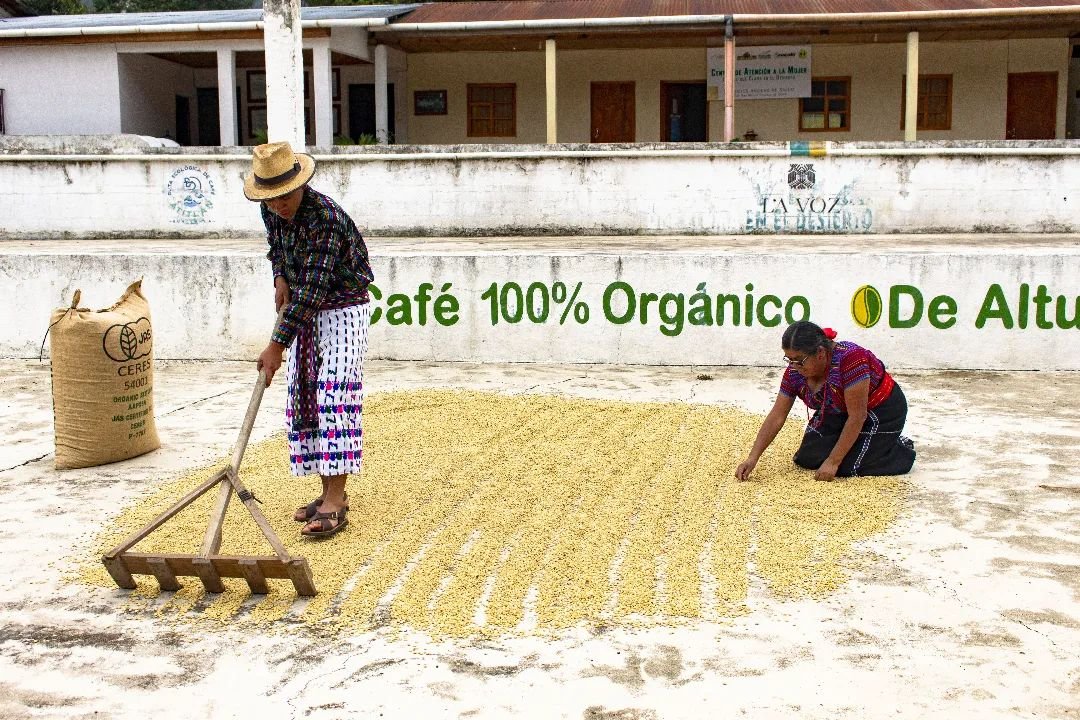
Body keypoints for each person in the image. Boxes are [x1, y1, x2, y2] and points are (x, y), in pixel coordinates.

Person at [245, 141, 374, 538]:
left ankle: (337, 499)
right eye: (271, 198)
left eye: (285, 196)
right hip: (305, 302)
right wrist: (280, 277)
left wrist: (275, 345)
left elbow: (317, 289)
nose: (279, 205)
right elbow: (277, 249)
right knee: (307, 396)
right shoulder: (271, 211)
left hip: (341, 306)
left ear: (300, 185)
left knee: (335, 395)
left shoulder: (326, 219)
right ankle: (325, 493)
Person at [735, 321, 915, 482]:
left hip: (880, 411)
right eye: (789, 360)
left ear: (821, 353)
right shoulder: (794, 373)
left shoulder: (851, 360)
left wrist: (832, 462)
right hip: (839, 411)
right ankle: (873, 444)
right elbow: (777, 415)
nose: (794, 366)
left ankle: (898, 447)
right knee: (806, 459)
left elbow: (858, 416)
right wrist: (752, 458)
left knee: (845, 467)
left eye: (799, 361)